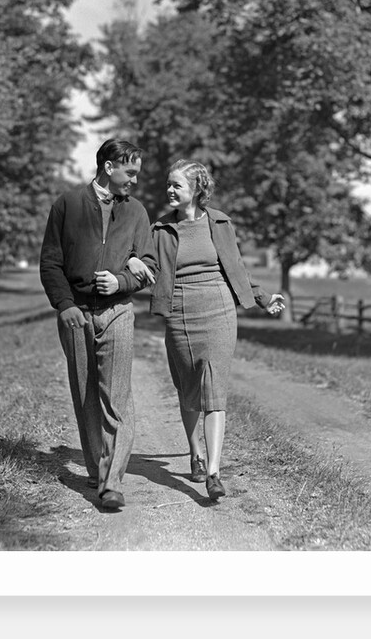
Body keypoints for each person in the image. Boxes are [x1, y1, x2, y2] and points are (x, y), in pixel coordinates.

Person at [129, 159, 284, 501]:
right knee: (189, 390)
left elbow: (236, 266)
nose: (169, 190)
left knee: (214, 390)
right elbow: (148, 264)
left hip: (218, 308)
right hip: (180, 310)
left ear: (197, 189)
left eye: (176, 186)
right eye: (168, 185)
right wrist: (132, 263)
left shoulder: (220, 222)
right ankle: (194, 451)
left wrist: (262, 297)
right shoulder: (160, 230)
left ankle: (213, 472)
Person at [39, 139, 157, 511]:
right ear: (109, 167)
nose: (135, 180)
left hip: (118, 310)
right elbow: (51, 262)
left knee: (116, 395)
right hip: (76, 313)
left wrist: (121, 282)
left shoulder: (137, 212)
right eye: (130, 172)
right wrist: (64, 305)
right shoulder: (68, 205)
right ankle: (96, 468)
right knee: (86, 391)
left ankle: (111, 481)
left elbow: (149, 267)